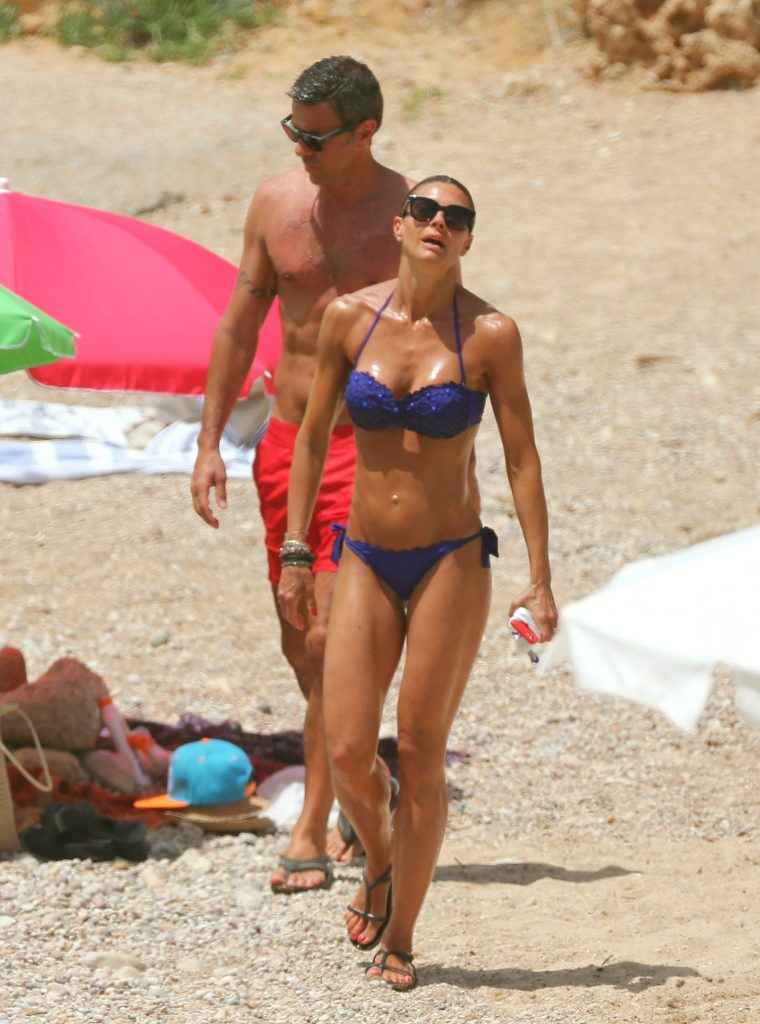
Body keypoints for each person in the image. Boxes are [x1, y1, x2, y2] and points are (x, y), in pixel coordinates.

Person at [278, 175, 558, 990]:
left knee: (422, 748)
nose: (439, 223)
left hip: (450, 560)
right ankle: (379, 859)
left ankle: (400, 934)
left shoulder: (491, 334)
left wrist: (540, 578)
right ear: (401, 225)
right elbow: (310, 438)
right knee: (347, 748)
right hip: (364, 553)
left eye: (456, 217)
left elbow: (521, 458)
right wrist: (297, 549)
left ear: (467, 239)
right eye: (427, 211)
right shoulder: (349, 319)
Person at [190, 56, 411, 894]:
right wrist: (210, 443)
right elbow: (238, 324)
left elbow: (447, 337)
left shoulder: (410, 215)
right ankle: (361, 776)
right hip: (285, 446)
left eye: (315, 137)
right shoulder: (276, 204)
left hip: (368, 446)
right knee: (299, 643)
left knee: (329, 636)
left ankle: (314, 825)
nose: (299, 149)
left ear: (365, 132)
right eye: (292, 131)